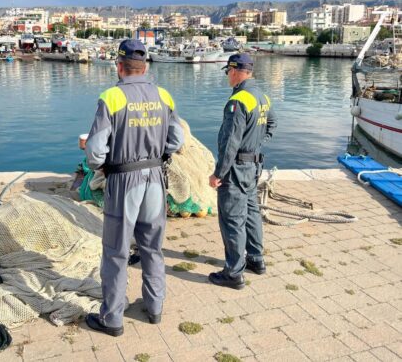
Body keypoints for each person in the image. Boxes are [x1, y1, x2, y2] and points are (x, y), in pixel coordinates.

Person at [84, 39, 184, 337]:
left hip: (123, 180)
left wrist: (101, 165)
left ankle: (112, 318)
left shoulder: (112, 97)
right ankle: (154, 307)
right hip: (155, 177)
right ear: (145, 67)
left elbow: (95, 151)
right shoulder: (164, 95)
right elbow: (177, 140)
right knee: (152, 245)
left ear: (119, 66)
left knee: (116, 250)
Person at [208, 53, 277, 289]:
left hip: (236, 170)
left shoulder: (237, 101)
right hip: (254, 166)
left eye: (228, 71)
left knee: (232, 220)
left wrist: (218, 174)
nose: (228, 75)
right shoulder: (262, 96)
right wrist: (256, 145)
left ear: (236, 71)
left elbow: (230, 144)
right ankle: (256, 259)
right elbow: (272, 124)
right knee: (251, 212)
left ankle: (233, 273)